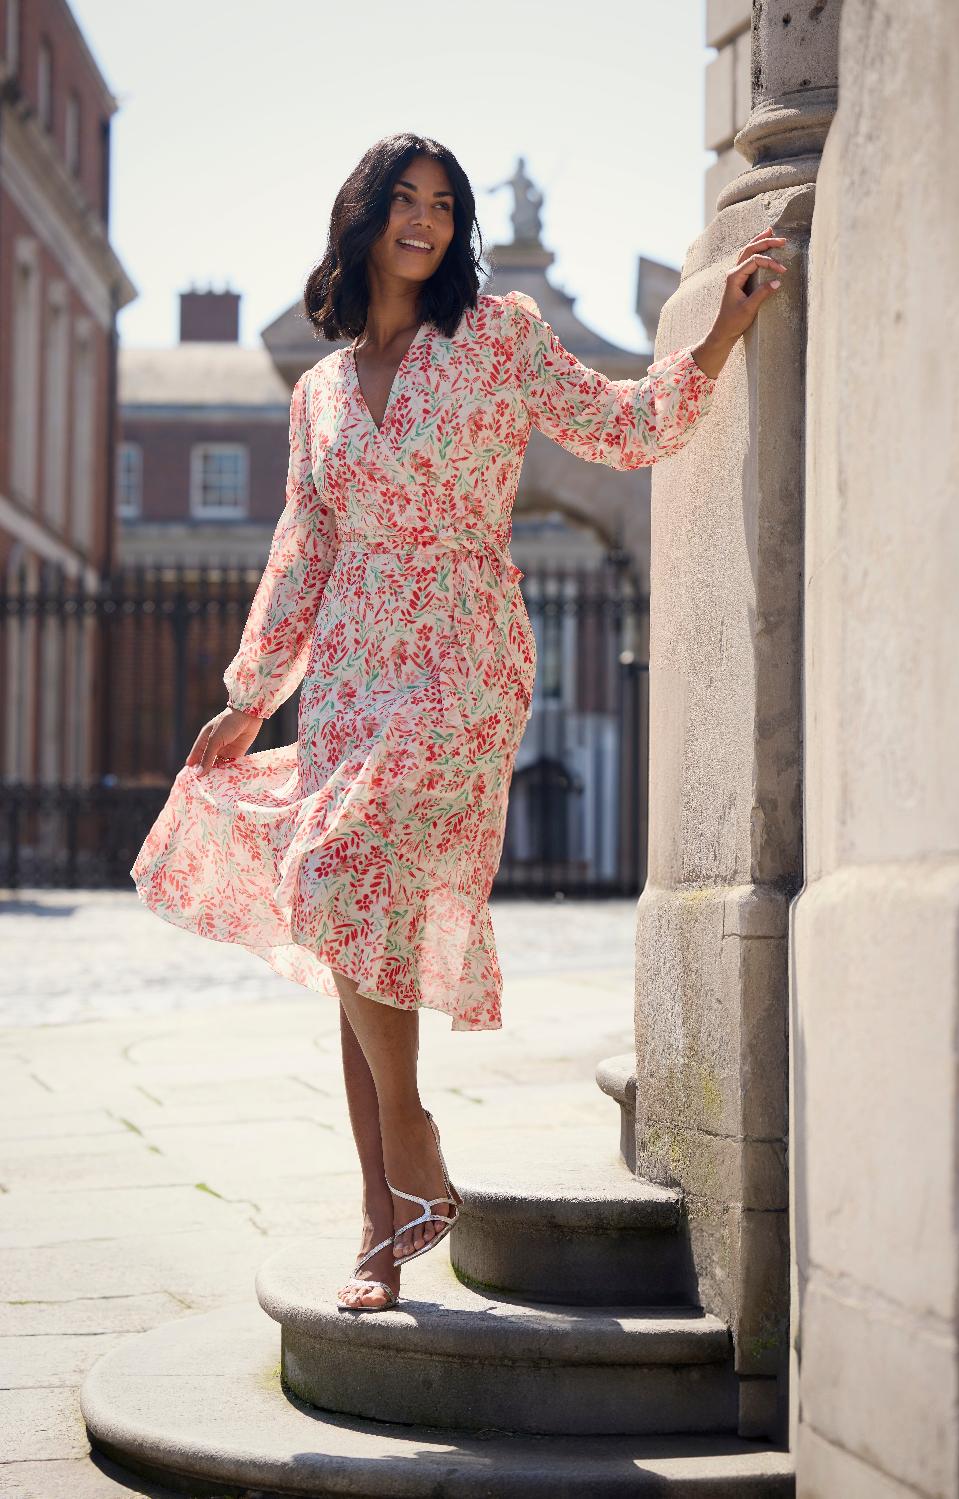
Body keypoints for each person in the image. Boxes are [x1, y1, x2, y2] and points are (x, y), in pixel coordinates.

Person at [130, 132, 786, 1314]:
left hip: (461, 651)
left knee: (333, 867)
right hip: (348, 669)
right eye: (403, 201)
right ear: (366, 218)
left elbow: (629, 427)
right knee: (351, 930)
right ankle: (383, 1227)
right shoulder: (318, 391)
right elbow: (305, 548)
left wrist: (720, 331)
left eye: (442, 204)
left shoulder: (500, 335)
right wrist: (249, 697)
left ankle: (415, 1133)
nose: (423, 221)